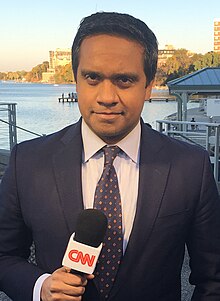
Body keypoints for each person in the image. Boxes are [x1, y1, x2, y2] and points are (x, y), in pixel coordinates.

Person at [1, 11, 220, 301]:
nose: (106, 96)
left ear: (149, 86)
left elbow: (213, 278)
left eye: (124, 80)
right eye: (92, 77)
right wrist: (41, 286)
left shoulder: (191, 167)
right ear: (76, 80)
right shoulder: (27, 162)